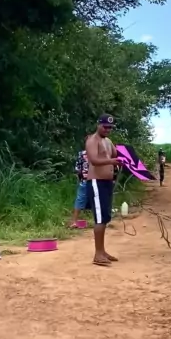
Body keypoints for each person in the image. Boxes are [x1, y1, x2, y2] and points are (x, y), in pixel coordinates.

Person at [86, 114, 120, 267]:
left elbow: (116, 155)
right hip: (96, 182)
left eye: (110, 128)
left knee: (105, 217)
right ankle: (97, 254)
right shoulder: (92, 140)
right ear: (98, 125)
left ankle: (102, 251)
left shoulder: (108, 141)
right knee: (99, 218)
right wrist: (112, 161)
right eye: (105, 127)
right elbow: (94, 160)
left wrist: (126, 158)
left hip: (107, 182)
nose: (107, 130)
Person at [70, 148, 89, 228]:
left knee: (80, 199)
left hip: (89, 180)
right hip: (90, 180)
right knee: (80, 199)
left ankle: (74, 221)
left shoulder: (82, 153)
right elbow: (78, 168)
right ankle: (74, 222)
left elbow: (77, 168)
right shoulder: (99, 153)